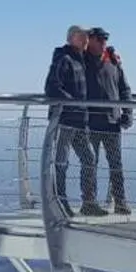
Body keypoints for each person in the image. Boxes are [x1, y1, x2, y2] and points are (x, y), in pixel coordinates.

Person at [43, 25, 101, 216]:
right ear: (71, 39)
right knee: (61, 162)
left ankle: (89, 203)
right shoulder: (64, 59)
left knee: (88, 159)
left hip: (79, 121)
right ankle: (60, 202)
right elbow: (52, 87)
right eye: (81, 37)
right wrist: (73, 103)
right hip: (65, 120)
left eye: (86, 38)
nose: (85, 41)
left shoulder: (80, 61)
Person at [82, 27, 133, 214]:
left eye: (104, 39)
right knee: (89, 164)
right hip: (89, 122)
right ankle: (89, 203)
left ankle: (120, 202)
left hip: (112, 122)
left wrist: (128, 113)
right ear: (90, 40)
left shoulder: (113, 60)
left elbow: (124, 89)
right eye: (99, 39)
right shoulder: (82, 60)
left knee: (116, 164)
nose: (103, 42)